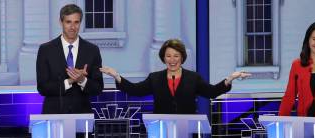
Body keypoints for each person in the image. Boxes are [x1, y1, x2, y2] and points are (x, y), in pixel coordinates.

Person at [100, 38, 249, 114]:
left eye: (176, 56)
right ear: (163, 58)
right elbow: (135, 90)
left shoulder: (193, 78)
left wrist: (230, 78)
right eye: (168, 56)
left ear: (182, 57)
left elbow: (212, 92)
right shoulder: (155, 78)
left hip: (186, 128)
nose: (172, 60)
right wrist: (117, 76)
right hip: (162, 127)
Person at [36, 3, 103, 114]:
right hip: (53, 117)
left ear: (80, 23)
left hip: (82, 116)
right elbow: (42, 87)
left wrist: (82, 80)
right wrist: (70, 81)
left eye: (76, 22)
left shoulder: (92, 50)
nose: (72, 27)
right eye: (68, 22)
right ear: (61, 22)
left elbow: (98, 88)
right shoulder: (46, 50)